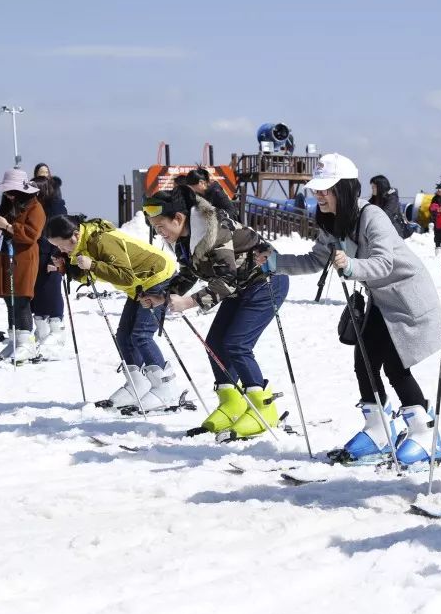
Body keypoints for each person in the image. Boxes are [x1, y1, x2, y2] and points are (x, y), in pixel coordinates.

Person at [256, 153, 441, 466]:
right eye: (316, 190)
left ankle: (425, 433)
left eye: (325, 189)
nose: (319, 195)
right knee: (364, 361)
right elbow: (316, 259)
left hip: (407, 297)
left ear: (343, 189)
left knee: (396, 367)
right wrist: (276, 263)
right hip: (380, 298)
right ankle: (379, 430)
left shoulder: (373, 217)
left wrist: (350, 264)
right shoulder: (331, 221)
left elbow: (384, 262)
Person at [140, 186, 289, 439]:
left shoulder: (214, 231)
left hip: (265, 283)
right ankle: (232, 402)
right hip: (240, 287)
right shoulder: (183, 238)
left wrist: (188, 302)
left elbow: (227, 280)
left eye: (160, 226)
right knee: (216, 343)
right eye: (155, 228)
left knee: (237, 344)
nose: (159, 233)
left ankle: (264, 409)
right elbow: (189, 272)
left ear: (178, 219)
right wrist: (162, 296)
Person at [44, 214, 182, 412]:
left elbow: (124, 276)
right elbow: (88, 275)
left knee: (141, 335)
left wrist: (92, 265)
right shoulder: (82, 243)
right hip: (139, 284)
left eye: (62, 245)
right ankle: (138, 384)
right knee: (124, 336)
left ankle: (167, 387)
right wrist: (67, 267)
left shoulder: (102, 240)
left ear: (75, 234)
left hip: (158, 276)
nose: (61, 250)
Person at [0, 168, 44, 363]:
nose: (9, 195)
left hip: (24, 258)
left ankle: (26, 342)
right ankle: (14, 340)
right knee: (9, 299)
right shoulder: (8, 206)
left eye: (12, 192)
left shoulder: (35, 208)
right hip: (5, 256)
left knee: (21, 299)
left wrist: (8, 226)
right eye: (6, 192)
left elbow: (31, 234)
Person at [31, 172, 68, 351]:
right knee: (38, 292)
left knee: (52, 290)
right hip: (37, 255)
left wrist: (56, 257)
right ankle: (41, 329)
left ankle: (56, 328)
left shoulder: (56, 207)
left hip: (52, 255)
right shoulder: (36, 207)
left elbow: (62, 235)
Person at [368, 174, 412, 239]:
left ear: (380, 187)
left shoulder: (392, 198)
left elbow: (386, 213)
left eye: (373, 187)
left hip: (394, 232)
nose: (372, 189)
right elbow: (367, 207)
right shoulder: (375, 198)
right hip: (381, 231)